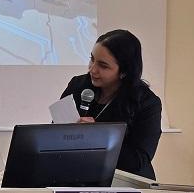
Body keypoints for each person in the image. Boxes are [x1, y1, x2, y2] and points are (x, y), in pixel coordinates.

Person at [61, 29, 161, 179]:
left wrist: (98, 138)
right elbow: (55, 130)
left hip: (123, 181)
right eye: (92, 59)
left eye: (103, 65)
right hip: (78, 174)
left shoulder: (147, 103)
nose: (92, 69)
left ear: (124, 71)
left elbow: (139, 160)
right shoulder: (78, 85)